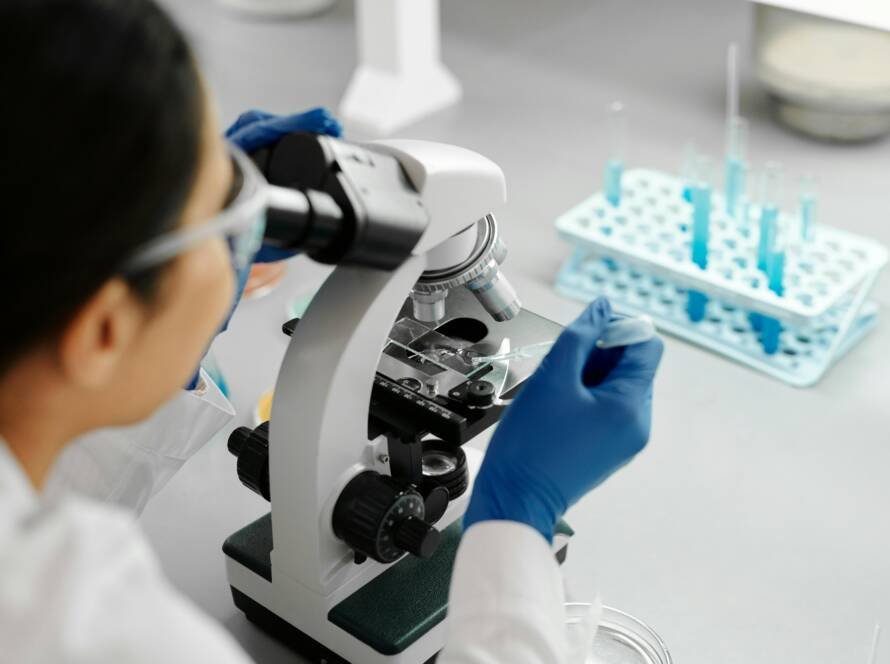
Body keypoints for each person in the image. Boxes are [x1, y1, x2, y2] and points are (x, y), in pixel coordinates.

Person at [0, 1, 664, 663]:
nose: (252, 221)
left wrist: (170, 337)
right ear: (105, 331)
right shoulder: (121, 639)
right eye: (221, 205)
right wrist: (519, 515)